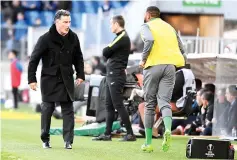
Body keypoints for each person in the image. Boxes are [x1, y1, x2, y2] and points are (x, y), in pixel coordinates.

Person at [28, 10, 85, 149]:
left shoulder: (74, 37)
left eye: (69, 22)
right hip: (49, 79)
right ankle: (45, 139)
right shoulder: (45, 38)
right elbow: (34, 59)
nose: (68, 25)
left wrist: (80, 75)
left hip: (66, 78)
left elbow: (79, 58)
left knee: (68, 110)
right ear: (57, 22)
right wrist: (32, 79)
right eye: (65, 22)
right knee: (47, 109)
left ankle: (68, 141)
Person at [139, 6, 185, 152]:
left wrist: (143, 58)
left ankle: (148, 143)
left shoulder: (146, 26)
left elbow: (149, 40)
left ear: (147, 15)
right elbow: (182, 48)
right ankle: (168, 130)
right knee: (164, 102)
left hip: (153, 66)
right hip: (171, 67)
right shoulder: (170, 27)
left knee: (150, 105)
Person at [93, 15, 136, 141]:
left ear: (117, 24)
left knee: (118, 104)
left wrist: (108, 52)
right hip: (111, 74)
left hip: (116, 75)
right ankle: (107, 134)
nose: (110, 26)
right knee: (109, 105)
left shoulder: (122, 36)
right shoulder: (119, 37)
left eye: (111, 24)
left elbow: (105, 52)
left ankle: (130, 133)